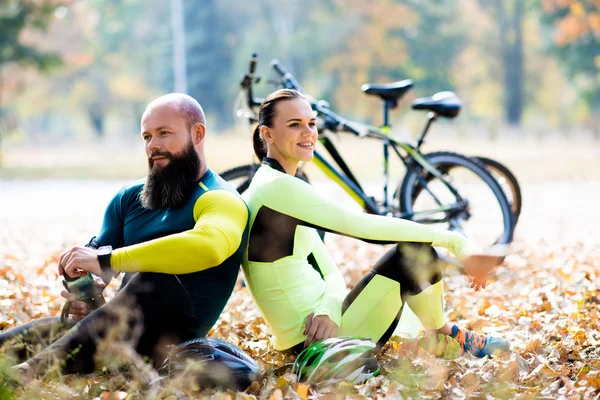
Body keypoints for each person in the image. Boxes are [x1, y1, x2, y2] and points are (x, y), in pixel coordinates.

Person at [241, 89, 510, 358]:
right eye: (294, 125)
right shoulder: (276, 188)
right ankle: (446, 335)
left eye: (311, 123)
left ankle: (443, 335)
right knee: (413, 255)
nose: (308, 132)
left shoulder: (281, 186)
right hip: (313, 345)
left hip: (328, 325)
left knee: (415, 267)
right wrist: (452, 238)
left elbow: (331, 273)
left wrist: (329, 308)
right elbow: (364, 227)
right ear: (267, 134)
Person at [9, 93, 249, 383]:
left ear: (197, 133)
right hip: (115, 331)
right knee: (38, 334)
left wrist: (109, 260)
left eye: (164, 133)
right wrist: (87, 290)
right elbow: (96, 259)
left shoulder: (220, 199)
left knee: (154, 279)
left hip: (170, 345)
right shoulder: (129, 199)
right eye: (147, 136)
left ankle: (28, 373)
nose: (153, 145)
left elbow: (209, 247)